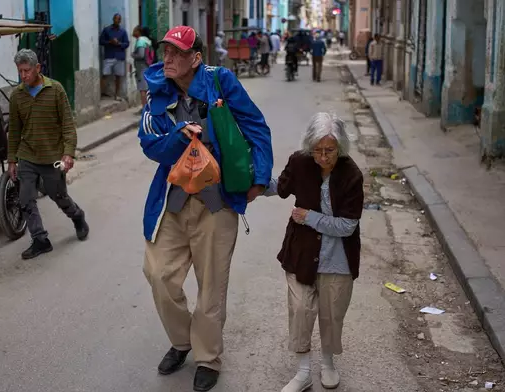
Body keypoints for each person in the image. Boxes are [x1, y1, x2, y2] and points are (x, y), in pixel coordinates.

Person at [138, 26, 273, 391]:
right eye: (165, 51)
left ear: (195, 58)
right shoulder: (158, 92)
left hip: (216, 202)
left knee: (211, 287)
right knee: (159, 274)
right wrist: (175, 136)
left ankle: (207, 357)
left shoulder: (220, 82)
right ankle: (183, 341)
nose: (168, 58)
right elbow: (148, 144)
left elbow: (256, 126)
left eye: (178, 53)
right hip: (173, 200)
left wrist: (259, 179)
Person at [266, 113, 363, 392]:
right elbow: (280, 186)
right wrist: (250, 184)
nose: (322, 157)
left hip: (338, 257)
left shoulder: (351, 175)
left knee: (331, 313)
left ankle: (329, 364)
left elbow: (347, 225)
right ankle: (304, 371)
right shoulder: (300, 162)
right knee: (300, 309)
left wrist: (309, 217)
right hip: (301, 252)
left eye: (329, 151)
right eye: (317, 150)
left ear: (340, 147)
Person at [8, 49, 89, 260]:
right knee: (26, 199)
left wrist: (68, 153)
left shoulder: (55, 89)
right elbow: (15, 130)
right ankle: (40, 239)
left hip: (52, 156)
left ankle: (77, 216)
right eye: (20, 71)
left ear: (37, 69)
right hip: (27, 155)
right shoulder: (17, 95)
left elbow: (68, 126)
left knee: (58, 195)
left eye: (27, 70)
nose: (23, 75)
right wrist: (12, 160)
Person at [99, 13, 130, 100]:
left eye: (119, 19)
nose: (117, 20)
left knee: (118, 77)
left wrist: (119, 43)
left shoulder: (123, 32)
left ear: (120, 21)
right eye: (116, 18)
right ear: (113, 19)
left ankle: (117, 95)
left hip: (119, 56)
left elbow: (127, 43)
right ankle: (99, 95)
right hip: (109, 56)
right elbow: (101, 41)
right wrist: (110, 42)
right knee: (105, 75)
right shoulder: (106, 30)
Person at [132, 25, 153, 107]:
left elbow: (140, 55)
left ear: (138, 32)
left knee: (142, 89)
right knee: (146, 88)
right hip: (147, 66)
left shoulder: (140, 41)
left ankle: (144, 108)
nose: (133, 32)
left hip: (141, 67)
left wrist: (133, 55)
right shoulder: (146, 40)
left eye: (135, 30)